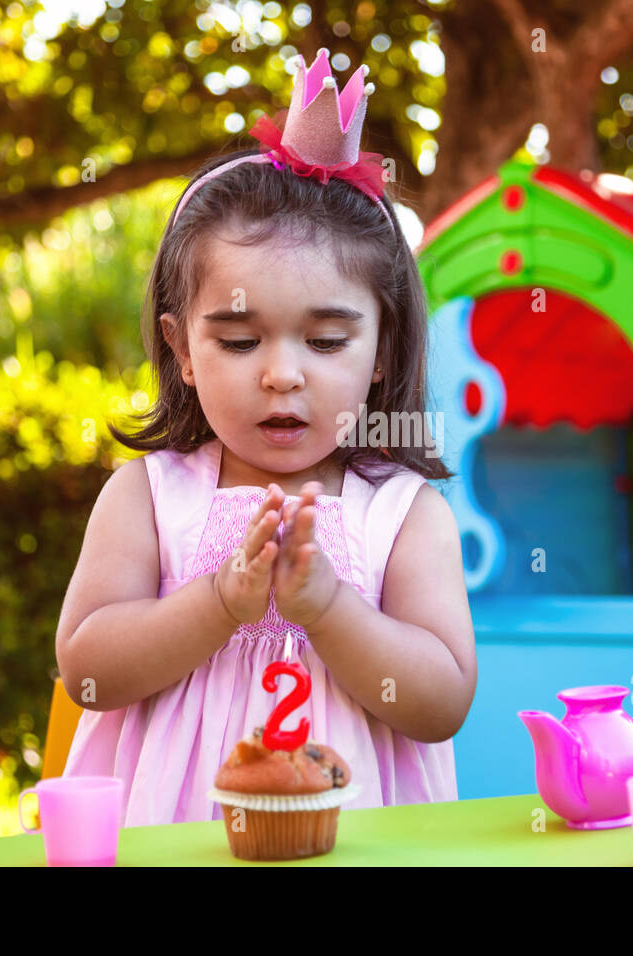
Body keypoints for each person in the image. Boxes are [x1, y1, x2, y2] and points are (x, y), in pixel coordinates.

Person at [54, 50, 477, 825]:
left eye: (325, 342)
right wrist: (219, 603)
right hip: (175, 841)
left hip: (356, 841)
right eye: (241, 342)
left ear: (381, 353)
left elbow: (441, 702)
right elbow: (85, 671)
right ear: (182, 349)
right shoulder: (149, 498)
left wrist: (328, 609)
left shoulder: (404, 514)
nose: (283, 375)